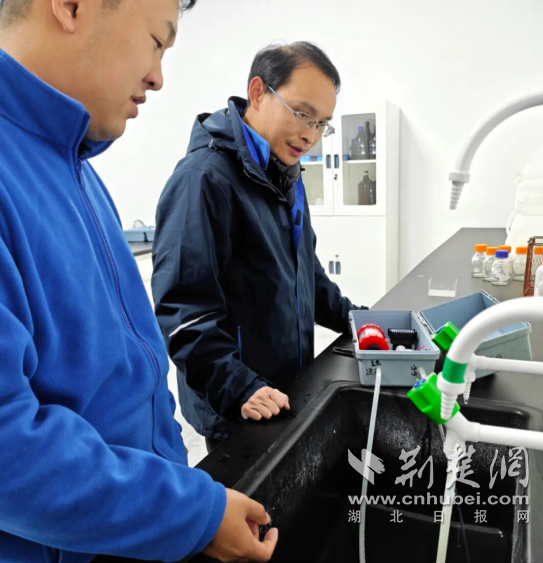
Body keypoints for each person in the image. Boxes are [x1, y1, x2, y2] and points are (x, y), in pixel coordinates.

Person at [0, 0, 277, 561]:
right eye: (155, 41)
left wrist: (183, 502)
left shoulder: (76, 170)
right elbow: (9, 449)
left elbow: (132, 386)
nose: (158, 77)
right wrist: (189, 515)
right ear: (71, 6)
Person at [152, 42, 367, 452]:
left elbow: (306, 274)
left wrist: (359, 322)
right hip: (240, 402)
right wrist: (237, 387)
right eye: (301, 113)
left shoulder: (285, 173)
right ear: (257, 92)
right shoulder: (204, 180)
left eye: (322, 124)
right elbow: (184, 311)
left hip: (286, 386)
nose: (310, 135)